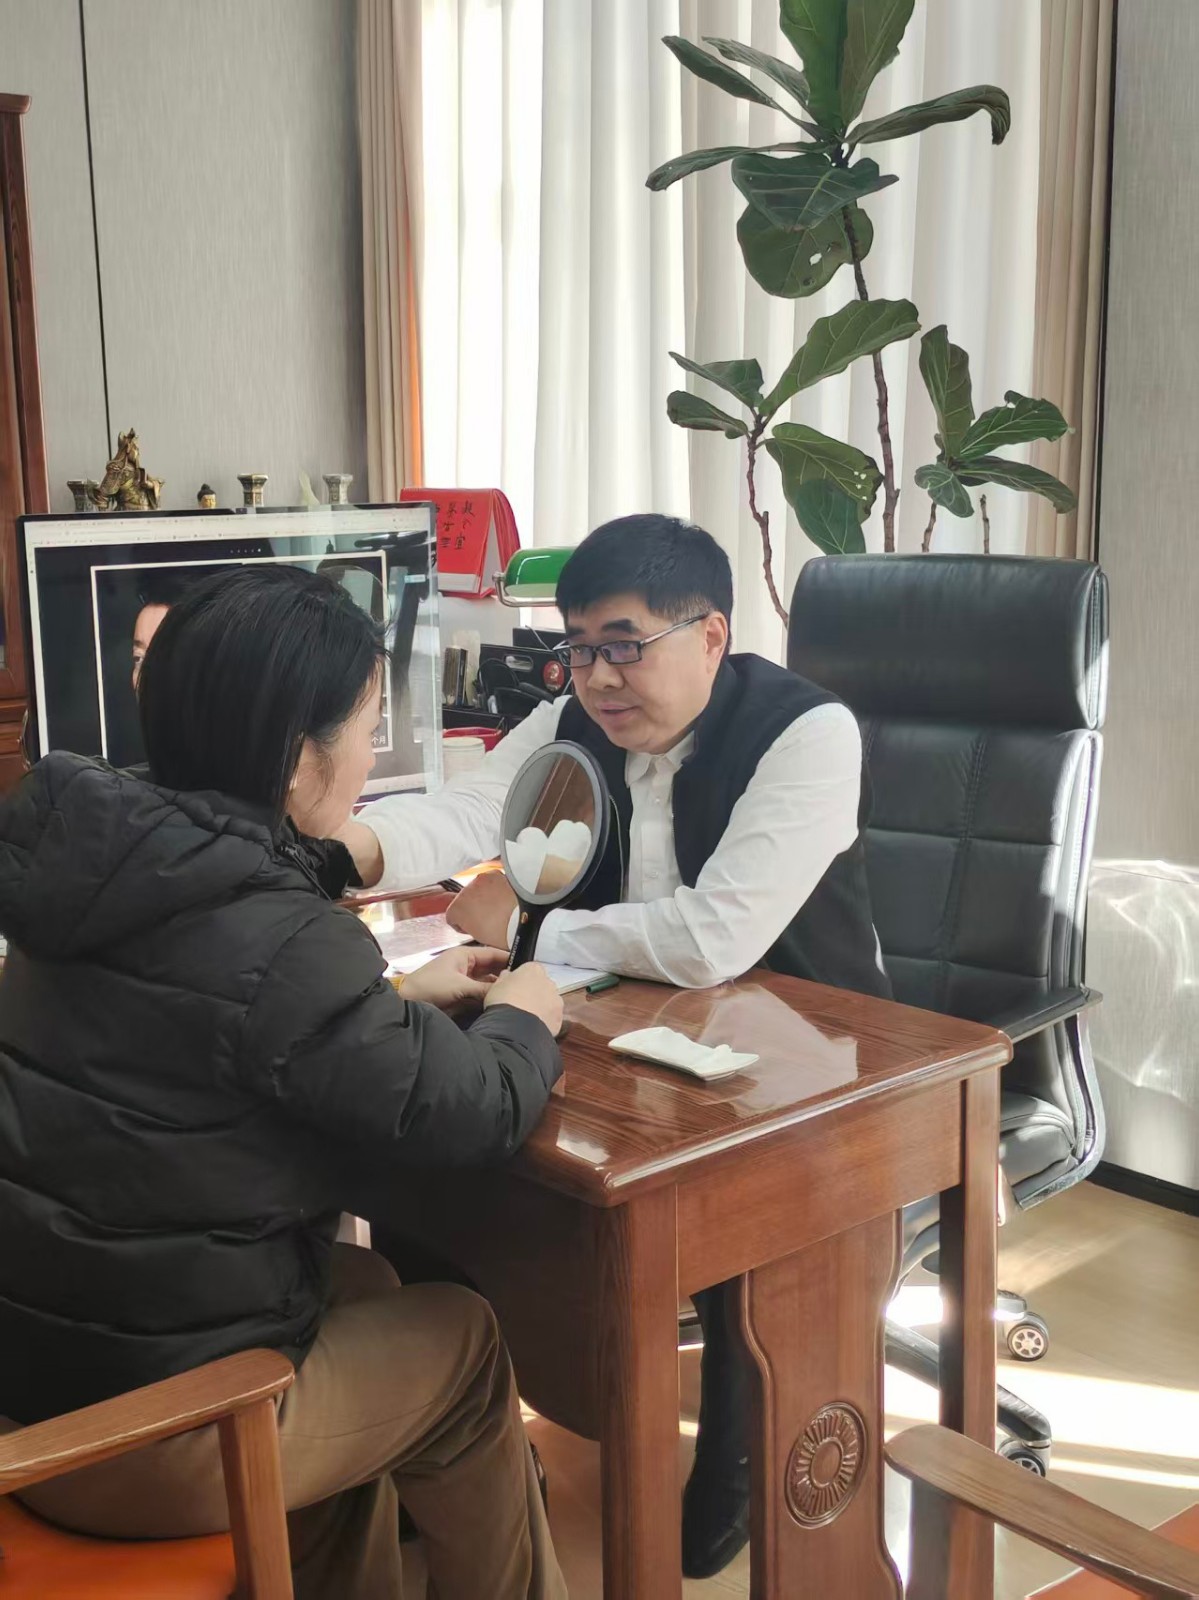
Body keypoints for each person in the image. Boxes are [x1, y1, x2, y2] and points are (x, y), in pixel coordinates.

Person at [337, 512, 891, 1578]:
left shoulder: (807, 733)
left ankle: (742, 1442)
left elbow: (712, 938)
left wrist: (530, 930)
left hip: (802, 1053)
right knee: (437, 1144)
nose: (595, 677)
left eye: (623, 646)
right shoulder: (571, 717)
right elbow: (468, 811)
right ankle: (460, 1444)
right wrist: (340, 850)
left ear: (711, 635)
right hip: (632, 1030)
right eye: (578, 647)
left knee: (722, 1206)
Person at [0, 564, 567, 1600]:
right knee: (465, 1344)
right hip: (142, 1440)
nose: (371, 752)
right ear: (299, 758)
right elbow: (474, 1110)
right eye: (365, 726)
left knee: (369, 1288)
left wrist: (395, 997)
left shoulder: (96, 866)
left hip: (36, 1379)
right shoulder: (282, 940)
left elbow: (216, 1006)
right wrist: (526, 1016)